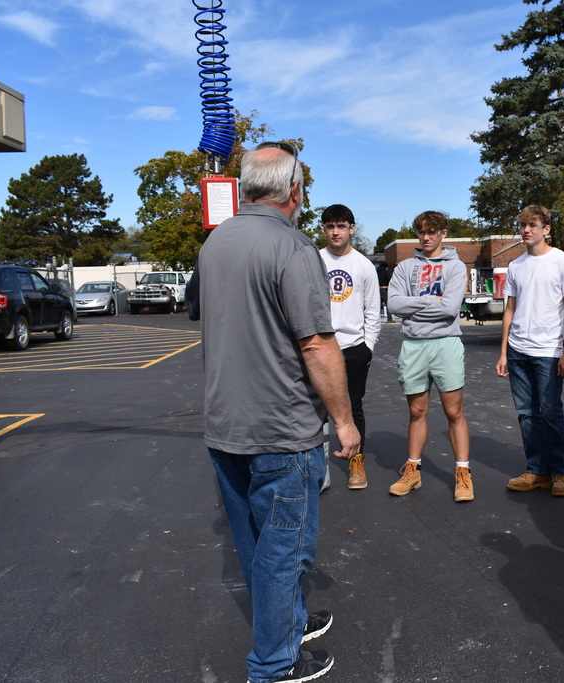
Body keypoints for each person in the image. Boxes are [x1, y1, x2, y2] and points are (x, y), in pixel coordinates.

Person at [191, 141, 359, 683]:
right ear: (294, 190)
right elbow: (317, 344)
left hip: (226, 428)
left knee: (257, 548)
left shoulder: (215, 244)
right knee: (284, 552)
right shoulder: (292, 247)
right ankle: (271, 665)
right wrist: (345, 420)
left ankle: (290, 623)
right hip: (282, 432)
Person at [386, 211, 473, 502]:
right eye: (422, 232)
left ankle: (463, 473)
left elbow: (449, 309)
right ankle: (413, 471)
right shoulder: (405, 266)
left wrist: (414, 305)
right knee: (416, 412)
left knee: (453, 412)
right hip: (413, 344)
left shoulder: (456, 266)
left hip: (445, 343)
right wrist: (428, 301)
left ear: (443, 234)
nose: (426, 237)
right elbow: (394, 305)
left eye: (432, 232)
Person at [495, 205, 564, 497]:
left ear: (546, 229)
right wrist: (504, 352)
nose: (526, 230)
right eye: (523, 225)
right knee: (526, 414)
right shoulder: (516, 265)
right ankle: (537, 470)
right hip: (518, 350)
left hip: (548, 350)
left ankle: (559, 472)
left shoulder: (562, 261)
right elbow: (509, 309)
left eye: (533, 225)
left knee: (550, 413)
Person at [319, 204, 381, 490]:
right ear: (324, 229)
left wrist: (367, 347)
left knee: (352, 407)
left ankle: (357, 464)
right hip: (320, 346)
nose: (335, 231)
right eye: (330, 226)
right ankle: (317, 468)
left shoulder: (363, 265)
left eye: (341, 226)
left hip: (353, 348)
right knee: (315, 409)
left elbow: (373, 311)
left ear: (351, 228)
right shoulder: (315, 261)